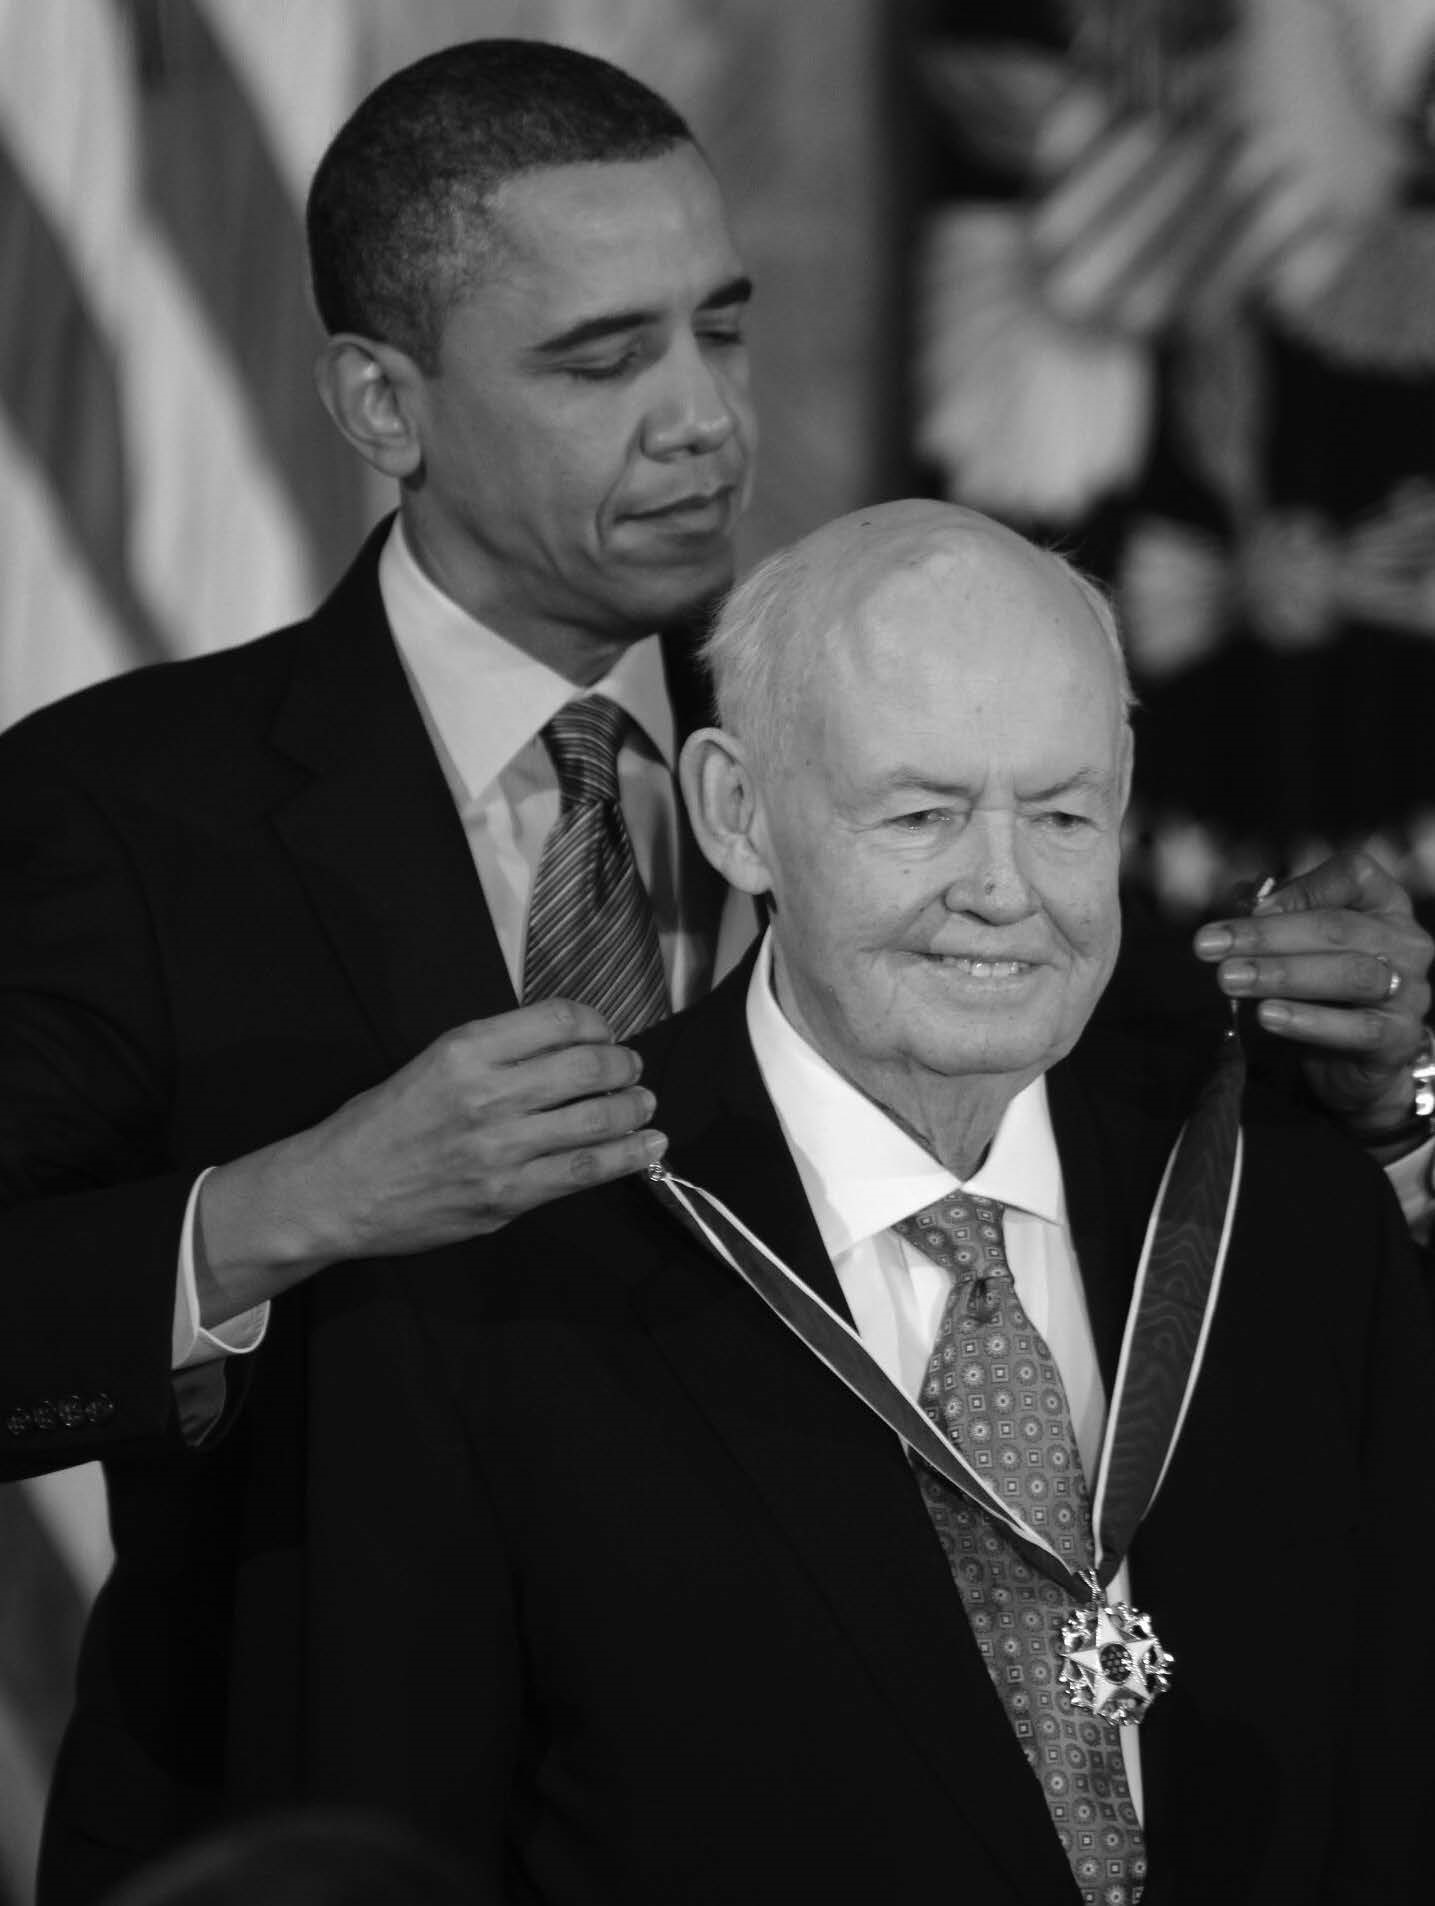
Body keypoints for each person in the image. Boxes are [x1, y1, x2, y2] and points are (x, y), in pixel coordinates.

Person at [0, 33, 1425, 1900]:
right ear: (378, 404)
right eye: (603, 359)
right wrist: (284, 1206)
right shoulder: (125, 808)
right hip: (310, 1812)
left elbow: (1146, 1137)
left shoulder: (898, 703)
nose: (703, 420)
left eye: (723, 331)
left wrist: (1381, 1077)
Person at [404, 499, 1435, 1901]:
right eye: (923, 812)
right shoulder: (519, 1241)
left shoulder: (1284, 1202)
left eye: (1062, 811)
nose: (1005, 888)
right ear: (738, 813)